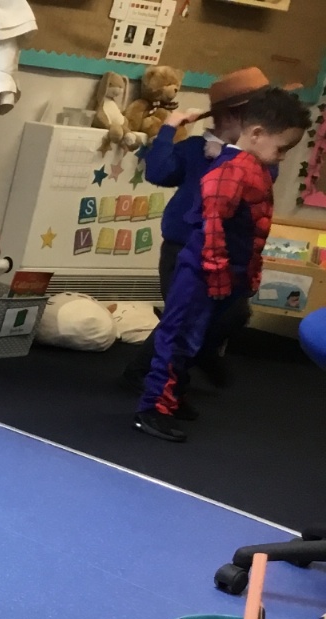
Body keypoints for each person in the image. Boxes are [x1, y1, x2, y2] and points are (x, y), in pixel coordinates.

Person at [135, 86, 309, 442]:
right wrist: (215, 274)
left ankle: (172, 396)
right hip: (201, 271)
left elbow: (252, 229)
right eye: (281, 148)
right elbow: (211, 228)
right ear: (256, 133)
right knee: (178, 337)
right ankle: (153, 408)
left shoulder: (253, 167)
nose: (282, 157)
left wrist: (247, 273)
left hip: (225, 272)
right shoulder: (229, 172)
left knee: (195, 339)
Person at [123, 67, 270, 404]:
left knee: (234, 313)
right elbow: (158, 171)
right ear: (232, 118)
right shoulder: (195, 149)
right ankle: (143, 375)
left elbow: (264, 181)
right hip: (183, 246)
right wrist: (170, 128)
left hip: (226, 250)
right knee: (182, 315)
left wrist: (235, 156)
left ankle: (198, 356)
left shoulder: (254, 160)